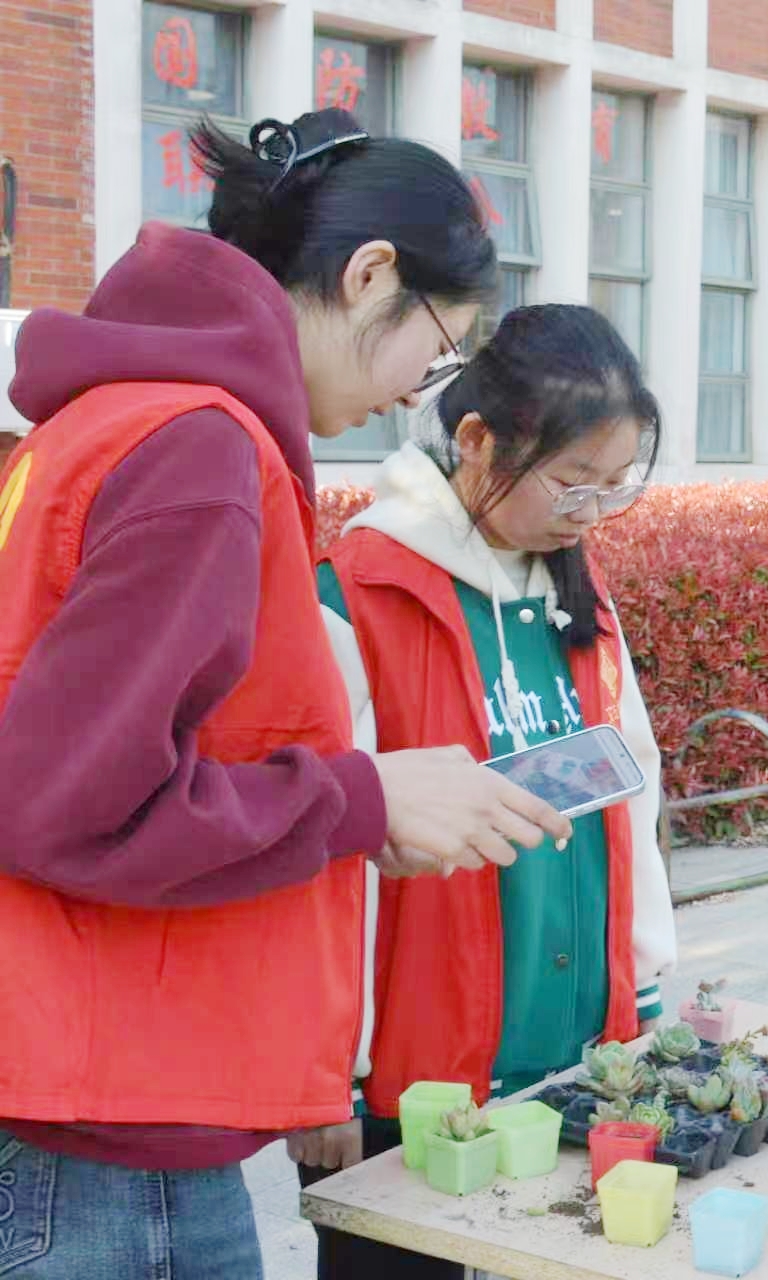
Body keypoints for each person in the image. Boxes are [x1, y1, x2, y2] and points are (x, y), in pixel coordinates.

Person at [0, 108, 573, 1280]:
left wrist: (358, 811)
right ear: (370, 276)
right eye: (440, 349)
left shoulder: (107, 418)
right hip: (109, 1133)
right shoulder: (200, 447)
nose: (420, 392)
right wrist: (363, 799)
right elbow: (71, 802)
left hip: (89, 1092)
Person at [295, 304, 676, 1279]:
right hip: (410, 1080)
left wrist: (641, 986)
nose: (590, 511)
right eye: (572, 480)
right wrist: (326, 1073)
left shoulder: (579, 598)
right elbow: (313, 847)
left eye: (613, 485)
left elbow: (630, 796)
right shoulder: (356, 594)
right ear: (476, 440)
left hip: (577, 1054)